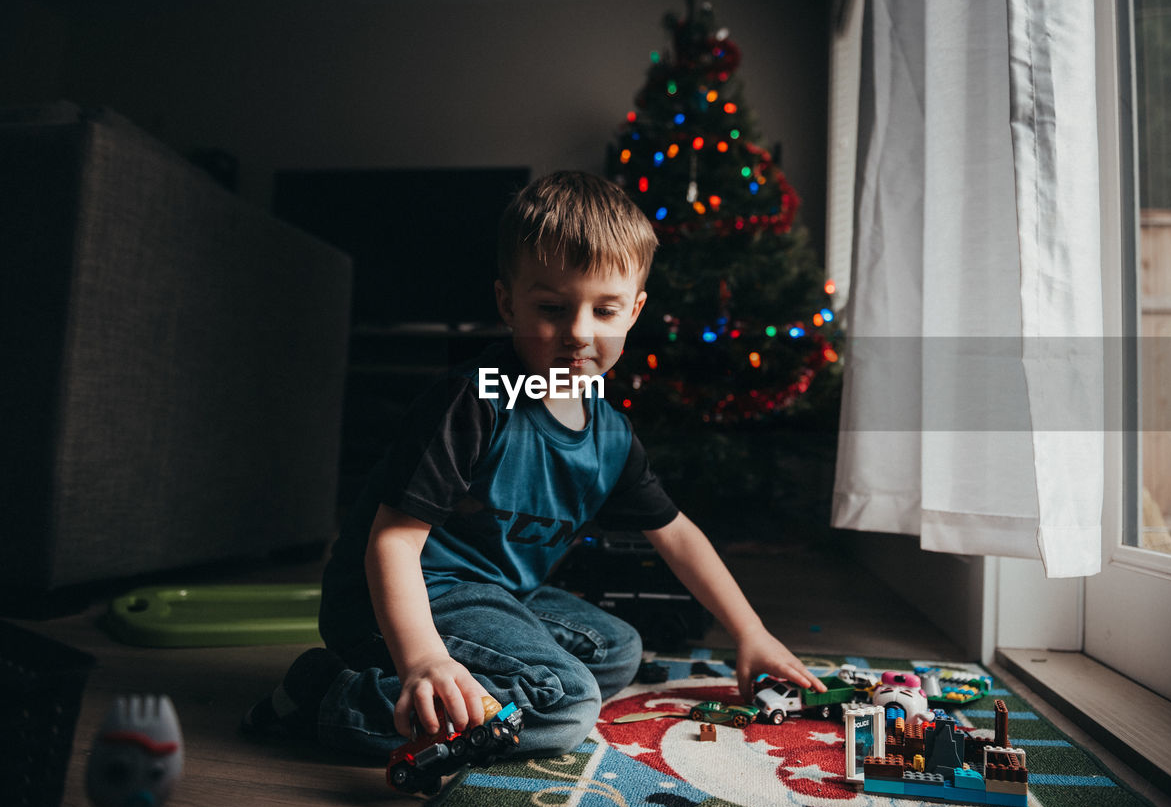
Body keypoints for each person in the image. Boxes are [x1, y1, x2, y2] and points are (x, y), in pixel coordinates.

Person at [243, 170, 825, 759]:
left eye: (604, 310)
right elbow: (391, 544)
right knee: (569, 700)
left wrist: (751, 633)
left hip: (496, 596)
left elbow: (676, 534)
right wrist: (423, 659)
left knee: (619, 649)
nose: (577, 333)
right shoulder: (474, 402)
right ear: (508, 304)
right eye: (552, 307)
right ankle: (329, 696)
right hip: (399, 598)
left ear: (634, 312)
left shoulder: (611, 433)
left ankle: (469, 694)